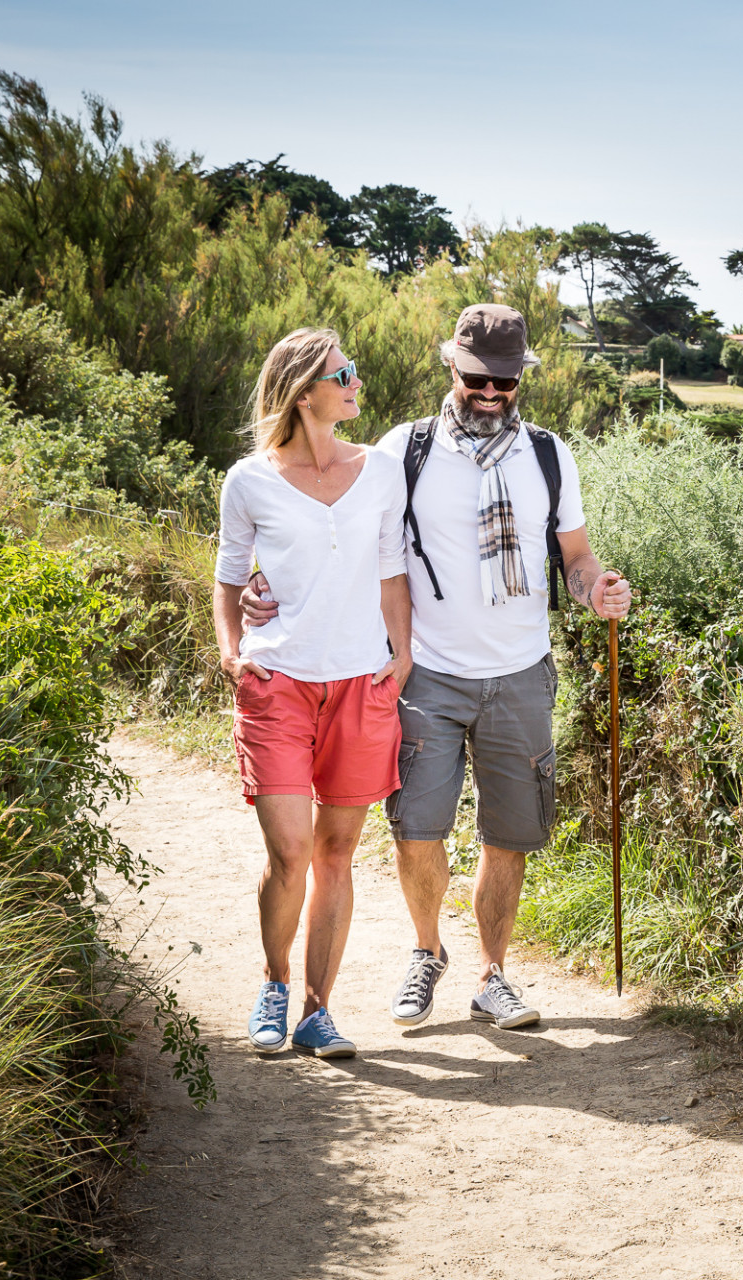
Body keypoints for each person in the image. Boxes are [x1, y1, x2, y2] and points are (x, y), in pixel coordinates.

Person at [242, 303, 631, 1032]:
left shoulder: (548, 455)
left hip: (522, 671)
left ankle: (492, 975)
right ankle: (427, 953)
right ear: (450, 366)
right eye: (478, 378)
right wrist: (267, 584)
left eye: (505, 382)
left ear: (522, 380)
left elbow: (575, 560)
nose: (491, 393)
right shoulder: (403, 452)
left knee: (507, 837)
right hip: (425, 677)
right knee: (416, 830)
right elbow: (336, 531)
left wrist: (598, 592)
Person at [212, 328, 413, 1058]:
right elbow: (230, 576)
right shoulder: (249, 479)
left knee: (336, 851)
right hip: (278, 684)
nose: (357, 382)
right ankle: (273, 984)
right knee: (291, 849)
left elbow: (392, 569)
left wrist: (403, 655)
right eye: (344, 373)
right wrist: (234, 653)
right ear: (305, 393)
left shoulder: (382, 471)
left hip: (363, 684)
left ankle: (318, 1010)